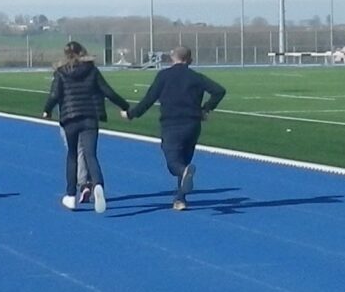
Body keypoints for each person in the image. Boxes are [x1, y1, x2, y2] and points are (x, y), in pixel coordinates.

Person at [123, 45, 226, 210]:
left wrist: (131, 114)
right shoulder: (196, 77)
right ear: (190, 60)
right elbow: (219, 91)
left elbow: (149, 99)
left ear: (172, 58)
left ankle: (182, 179)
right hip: (192, 125)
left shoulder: (164, 76)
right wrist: (206, 108)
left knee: (174, 163)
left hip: (171, 124)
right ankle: (180, 199)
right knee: (184, 161)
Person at [43, 40, 129, 212]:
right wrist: (124, 106)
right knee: (91, 155)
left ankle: (70, 196)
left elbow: (54, 95)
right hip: (90, 117)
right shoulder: (92, 70)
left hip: (70, 118)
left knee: (72, 155)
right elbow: (108, 91)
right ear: (82, 52)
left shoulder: (61, 72)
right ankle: (98, 184)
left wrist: (47, 110)